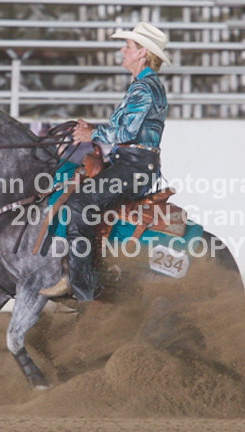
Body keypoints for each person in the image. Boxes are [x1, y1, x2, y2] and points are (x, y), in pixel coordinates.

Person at [40, 22, 170, 301]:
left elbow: (126, 132)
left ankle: (81, 287)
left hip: (133, 168)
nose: (122, 50)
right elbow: (125, 130)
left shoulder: (144, 89)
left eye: (128, 46)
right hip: (133, 164)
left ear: (143, 53)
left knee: (79, 206)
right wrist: (94, 131)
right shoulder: (144, 86)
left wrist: (92, 134)